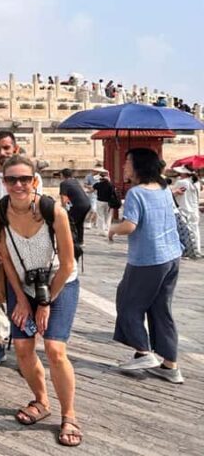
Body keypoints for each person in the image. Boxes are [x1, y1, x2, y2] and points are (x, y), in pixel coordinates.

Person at [0, 155, 81, 447]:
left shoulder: (53, 211)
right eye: (11, 179)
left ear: (34, 181)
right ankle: (42, 401)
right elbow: (6, 258)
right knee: (22, 347)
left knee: (54, 348)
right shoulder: (0, 210)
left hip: (60, 282)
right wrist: (20, 299)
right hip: (23, 284)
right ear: (3, 182)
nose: (18, 185)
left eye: (24, 179)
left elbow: (67, 265)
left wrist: (43, 303)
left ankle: (69, 414)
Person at [109, 148, 183, 383]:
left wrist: (112, 230)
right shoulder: (163, 188)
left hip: (147, 260)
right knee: (162, 310)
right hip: (171, 256)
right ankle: (170, 365)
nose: (124, 167)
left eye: (128, 162)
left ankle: (143, 352)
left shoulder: (136, 193)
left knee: (127, 302)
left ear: (139, 165)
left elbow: (130, 225)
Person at [0, 130, 43, 368]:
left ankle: (26, 347)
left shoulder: (31, 178)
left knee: (23, 297)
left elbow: (37, 213)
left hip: (23, 250)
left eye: (5, 148)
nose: (1, 153)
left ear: (15, 148)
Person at [171, 166, 201, 258]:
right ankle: (197, 250)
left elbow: (173, 193)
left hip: (184, 210)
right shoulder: (196, 183)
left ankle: (186, 251)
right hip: (194, 210)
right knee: (195, 231)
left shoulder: (182, 182)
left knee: (184, 232)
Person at [59, 169, 91, 245]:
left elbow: (63, 198)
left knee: (70, 222)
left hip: (78, 205)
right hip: (87, 204)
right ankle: (80, 241)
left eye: (60, 175)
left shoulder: (64, 183)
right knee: (79, 223)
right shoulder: (75, 181)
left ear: (63, 175)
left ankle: (70, 241)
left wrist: (63, 209)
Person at [92, 171, 116, 235]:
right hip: (109, 202)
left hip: (100, 201)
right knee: (108, 216)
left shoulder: (98, 184)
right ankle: (107, 229)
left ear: (100, 178)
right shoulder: (111, 184)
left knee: (100, 216)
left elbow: (91, 190)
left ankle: (101, 231)